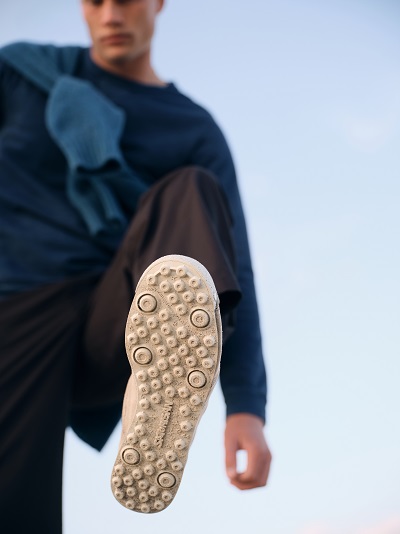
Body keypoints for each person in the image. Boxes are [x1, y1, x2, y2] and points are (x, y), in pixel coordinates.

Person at [0, 0, 271, 531]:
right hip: (13, 313)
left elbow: (236, 263)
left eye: (125, 0)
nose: (110, 16)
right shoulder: (22, 73)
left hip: (116, 324)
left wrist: (246, 404)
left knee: (192, 191)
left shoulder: (192, 128)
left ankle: (159, 387)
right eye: (96, 2)